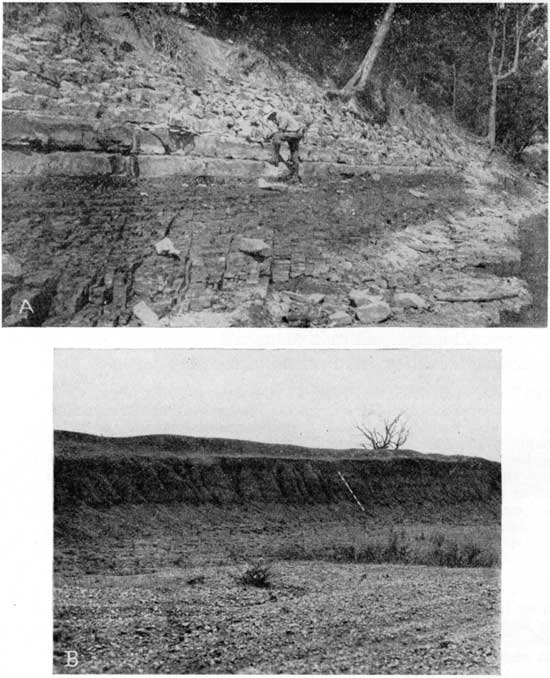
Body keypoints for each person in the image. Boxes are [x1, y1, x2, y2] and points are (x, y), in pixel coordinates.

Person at [265, 109, 305, 179]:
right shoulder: (281, 117)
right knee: (294, 155)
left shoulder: (283, 115)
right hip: (296, 134)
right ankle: (295, 176)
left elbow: (280, 131)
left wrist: (271, 135)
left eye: (271, 119)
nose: (272, 121)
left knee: (276, 137)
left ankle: (275, 158)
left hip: (295, 133)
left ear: (273, 115)